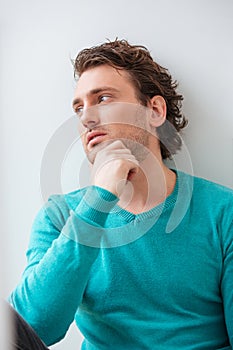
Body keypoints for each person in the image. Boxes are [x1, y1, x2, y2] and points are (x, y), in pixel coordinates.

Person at [9, 39, 233, 349]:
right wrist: (99, 198)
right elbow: (32, 329)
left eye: (103, 98)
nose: (86, 117)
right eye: (79, 108)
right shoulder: (59, 215)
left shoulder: (223, 212)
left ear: (154, 110)